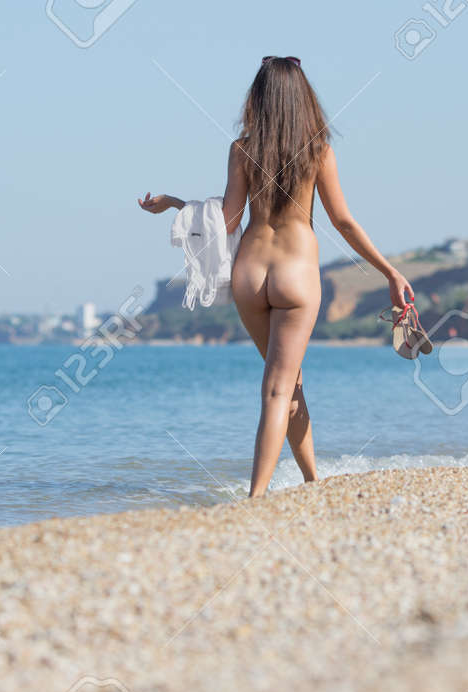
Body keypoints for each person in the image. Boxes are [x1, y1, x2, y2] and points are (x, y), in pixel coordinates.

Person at [138, 56, 415, 497]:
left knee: (288, 383)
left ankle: (312, 483)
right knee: (278, 388)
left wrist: (175, 203)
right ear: (303, 98)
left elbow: (226, 222)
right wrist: (389, 270)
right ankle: (256, 498)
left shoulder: (242, 149)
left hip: (249, 274)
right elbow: (343, 221)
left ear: (259, 98)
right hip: (296, 274)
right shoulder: (320, 152)